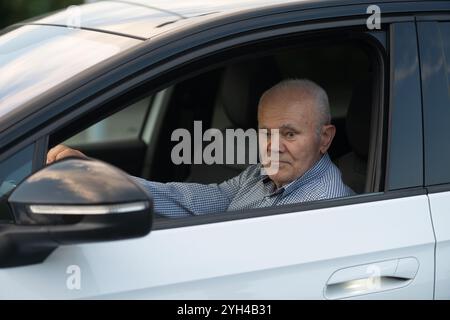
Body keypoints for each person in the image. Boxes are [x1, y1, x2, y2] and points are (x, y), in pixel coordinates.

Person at [47, 79, 354, 217]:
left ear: (324, 138)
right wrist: (103, 179)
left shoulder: (323, 206)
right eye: (266, 133)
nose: (274, 147)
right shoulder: (262, 176)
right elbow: (197, 200)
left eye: (289, 134)